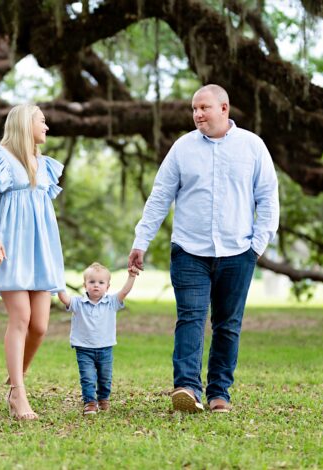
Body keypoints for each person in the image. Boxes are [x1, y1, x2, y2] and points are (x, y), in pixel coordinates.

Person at [128, 84, 279, 413]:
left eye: (204, 108)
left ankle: (219, 392)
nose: (197, 114)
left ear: (224, 108)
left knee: (227, 324)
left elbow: (268, 197)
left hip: (238, 253)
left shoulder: (252, 147)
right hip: (189, 252)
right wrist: (142, 240)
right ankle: (186, 388)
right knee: (191, 318)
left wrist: (256, 246)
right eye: (194, 108)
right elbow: (159, 197)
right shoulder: (182, 148)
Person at [0, 104, 65, 420]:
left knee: (39, 325)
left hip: (40, 248)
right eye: (42, 121)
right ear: (26, 124)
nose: (46, 127)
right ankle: (19, 396)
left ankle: (15, 381)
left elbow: (45, 216)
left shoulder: (45, 165)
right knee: (21, 317)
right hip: (10, 244)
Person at [58, 263, 138, 416]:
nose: (96, 285)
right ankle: (90, 402)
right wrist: (58, 280)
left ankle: (103, 399)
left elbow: (124, 291)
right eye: (92, 282)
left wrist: (131, 276)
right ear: (85, 285)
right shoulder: (78, 303)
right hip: (84, 348)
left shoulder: (111, 302)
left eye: (101, 283)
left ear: (107, 286)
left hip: (105, 348)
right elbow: (63, 298)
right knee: (87, 377)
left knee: (105, 377)